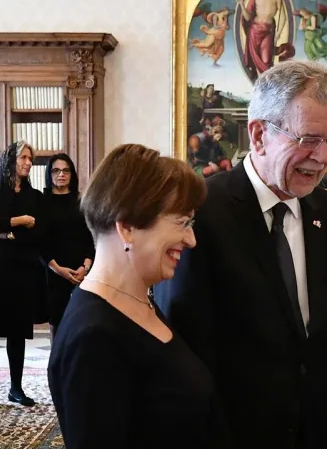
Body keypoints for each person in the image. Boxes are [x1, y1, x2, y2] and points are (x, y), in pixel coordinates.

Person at [154, 60, 327, 449]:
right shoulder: (201, 214)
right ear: (258, 135)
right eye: (308, 138)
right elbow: (189, 348)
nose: (323, 157)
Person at [47, 144, 227, 448]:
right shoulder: (94, 338)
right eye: (182, 222)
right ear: (128, 226)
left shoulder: (134, 300)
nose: (191, 239)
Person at [0, 141, 45, 410]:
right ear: (10, 160)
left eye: (31, 158)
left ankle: (16, 388)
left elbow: (38, 233)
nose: (28, 162)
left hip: (22, 270)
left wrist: (5, 229)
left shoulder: (35, 197)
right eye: (23, 157)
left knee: (17, 332)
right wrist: (20, 221)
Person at [41, 153, 94, 343]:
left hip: (83, 273)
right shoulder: (42, 202)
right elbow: (41, 242)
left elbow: (90, 238)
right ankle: (55, 367)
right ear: (49, 174)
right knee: (57, 323)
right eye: (56, 170)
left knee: (82, 323)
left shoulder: (83, 201)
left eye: (65, 170)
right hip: (55, 272)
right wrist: (58, 269)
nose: (61, 174)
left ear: (72, 174)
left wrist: (85, 268)